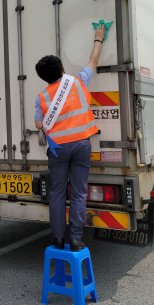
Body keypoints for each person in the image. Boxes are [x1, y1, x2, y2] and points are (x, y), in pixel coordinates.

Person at [34, 25, 106, 252]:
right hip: (82, 146)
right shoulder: (77, 81)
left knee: (56, 193)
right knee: (78, 192)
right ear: (63, 69)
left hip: (57, 150)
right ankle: (75, 238)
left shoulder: (42, 97)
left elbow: (39, 125)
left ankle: (57, 238)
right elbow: (92, 62)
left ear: (43, 77)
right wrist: (98, 39)